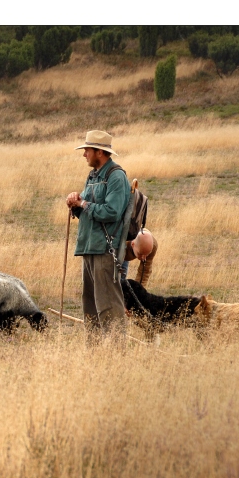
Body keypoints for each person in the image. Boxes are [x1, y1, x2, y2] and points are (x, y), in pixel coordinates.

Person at [65, 130, 131, 339]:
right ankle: (94, 354)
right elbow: (87, 207)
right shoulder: (93, 176)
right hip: (89, 247)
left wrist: (83, 203)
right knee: (91, 305)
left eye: (87, 150)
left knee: (109, 306)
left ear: (99, 152)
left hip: (105, 249)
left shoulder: (116, 177)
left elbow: (112, 212)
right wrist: (74, 203)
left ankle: (115, 353)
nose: (84, 154)